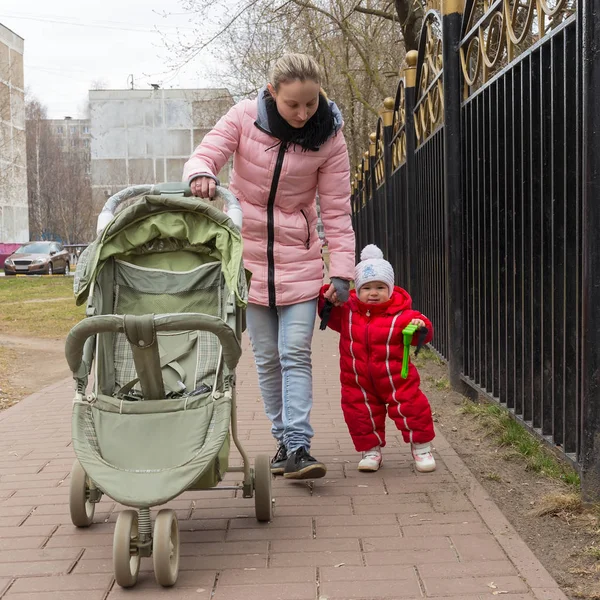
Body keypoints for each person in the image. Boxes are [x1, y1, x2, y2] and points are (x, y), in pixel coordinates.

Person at [183, 53, 355, 480]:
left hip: (299, 260)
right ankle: (282, 441)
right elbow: (206, 153)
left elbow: (336, 210)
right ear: (271, 92)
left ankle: (299, 445)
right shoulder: (244, 117)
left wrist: (342, 270)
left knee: (294, 351)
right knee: (266, 358)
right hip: (247, 263)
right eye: (293, 104)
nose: (302, 114)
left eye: (311, 104)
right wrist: (202, 173)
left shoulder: (329, 136)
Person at [318, 244, 436, 473]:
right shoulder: (348, 311)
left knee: (413, 409)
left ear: (390, 289)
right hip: (357, 379)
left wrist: (421, 327)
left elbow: (422, 330)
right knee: (360, 413)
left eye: (381, 287)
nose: (373, 293)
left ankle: (421, 447)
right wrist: (328, 300)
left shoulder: (402, 315)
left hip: (395, 379)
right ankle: (370, 451)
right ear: (357, 289)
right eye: (367, 287)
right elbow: (328, 313)